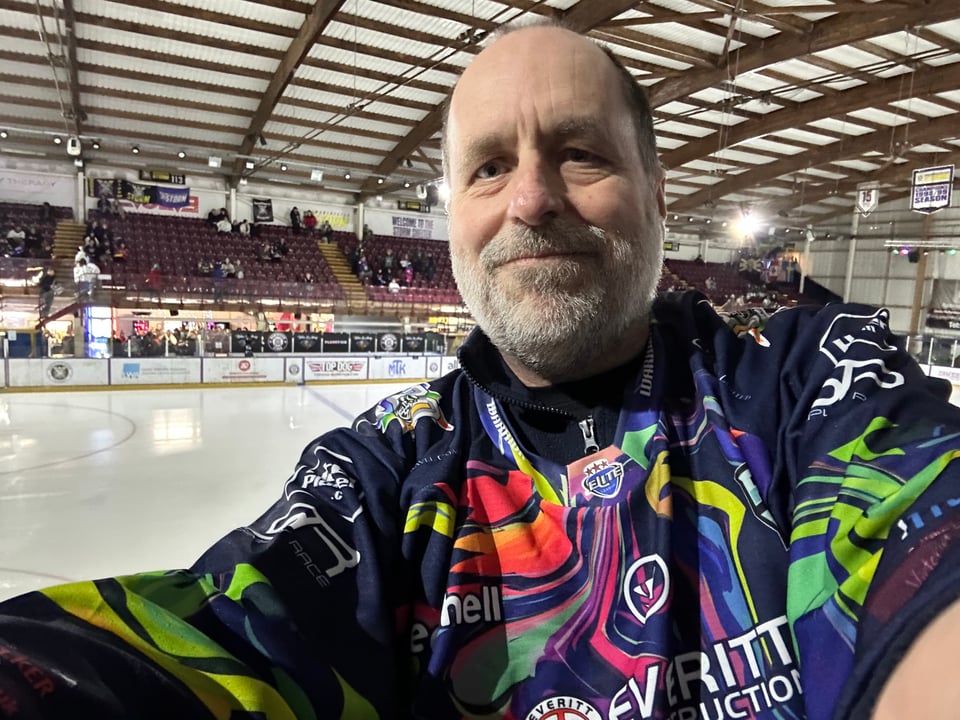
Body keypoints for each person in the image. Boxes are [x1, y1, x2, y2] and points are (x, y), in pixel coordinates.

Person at [0, 21, 957, 720]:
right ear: (452, 213)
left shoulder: (810, 385)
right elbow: (221, 635)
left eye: (580, 153)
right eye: (489, 168)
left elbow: (924, 548)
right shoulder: (388, 472)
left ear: (661, 198)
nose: (533, 199)